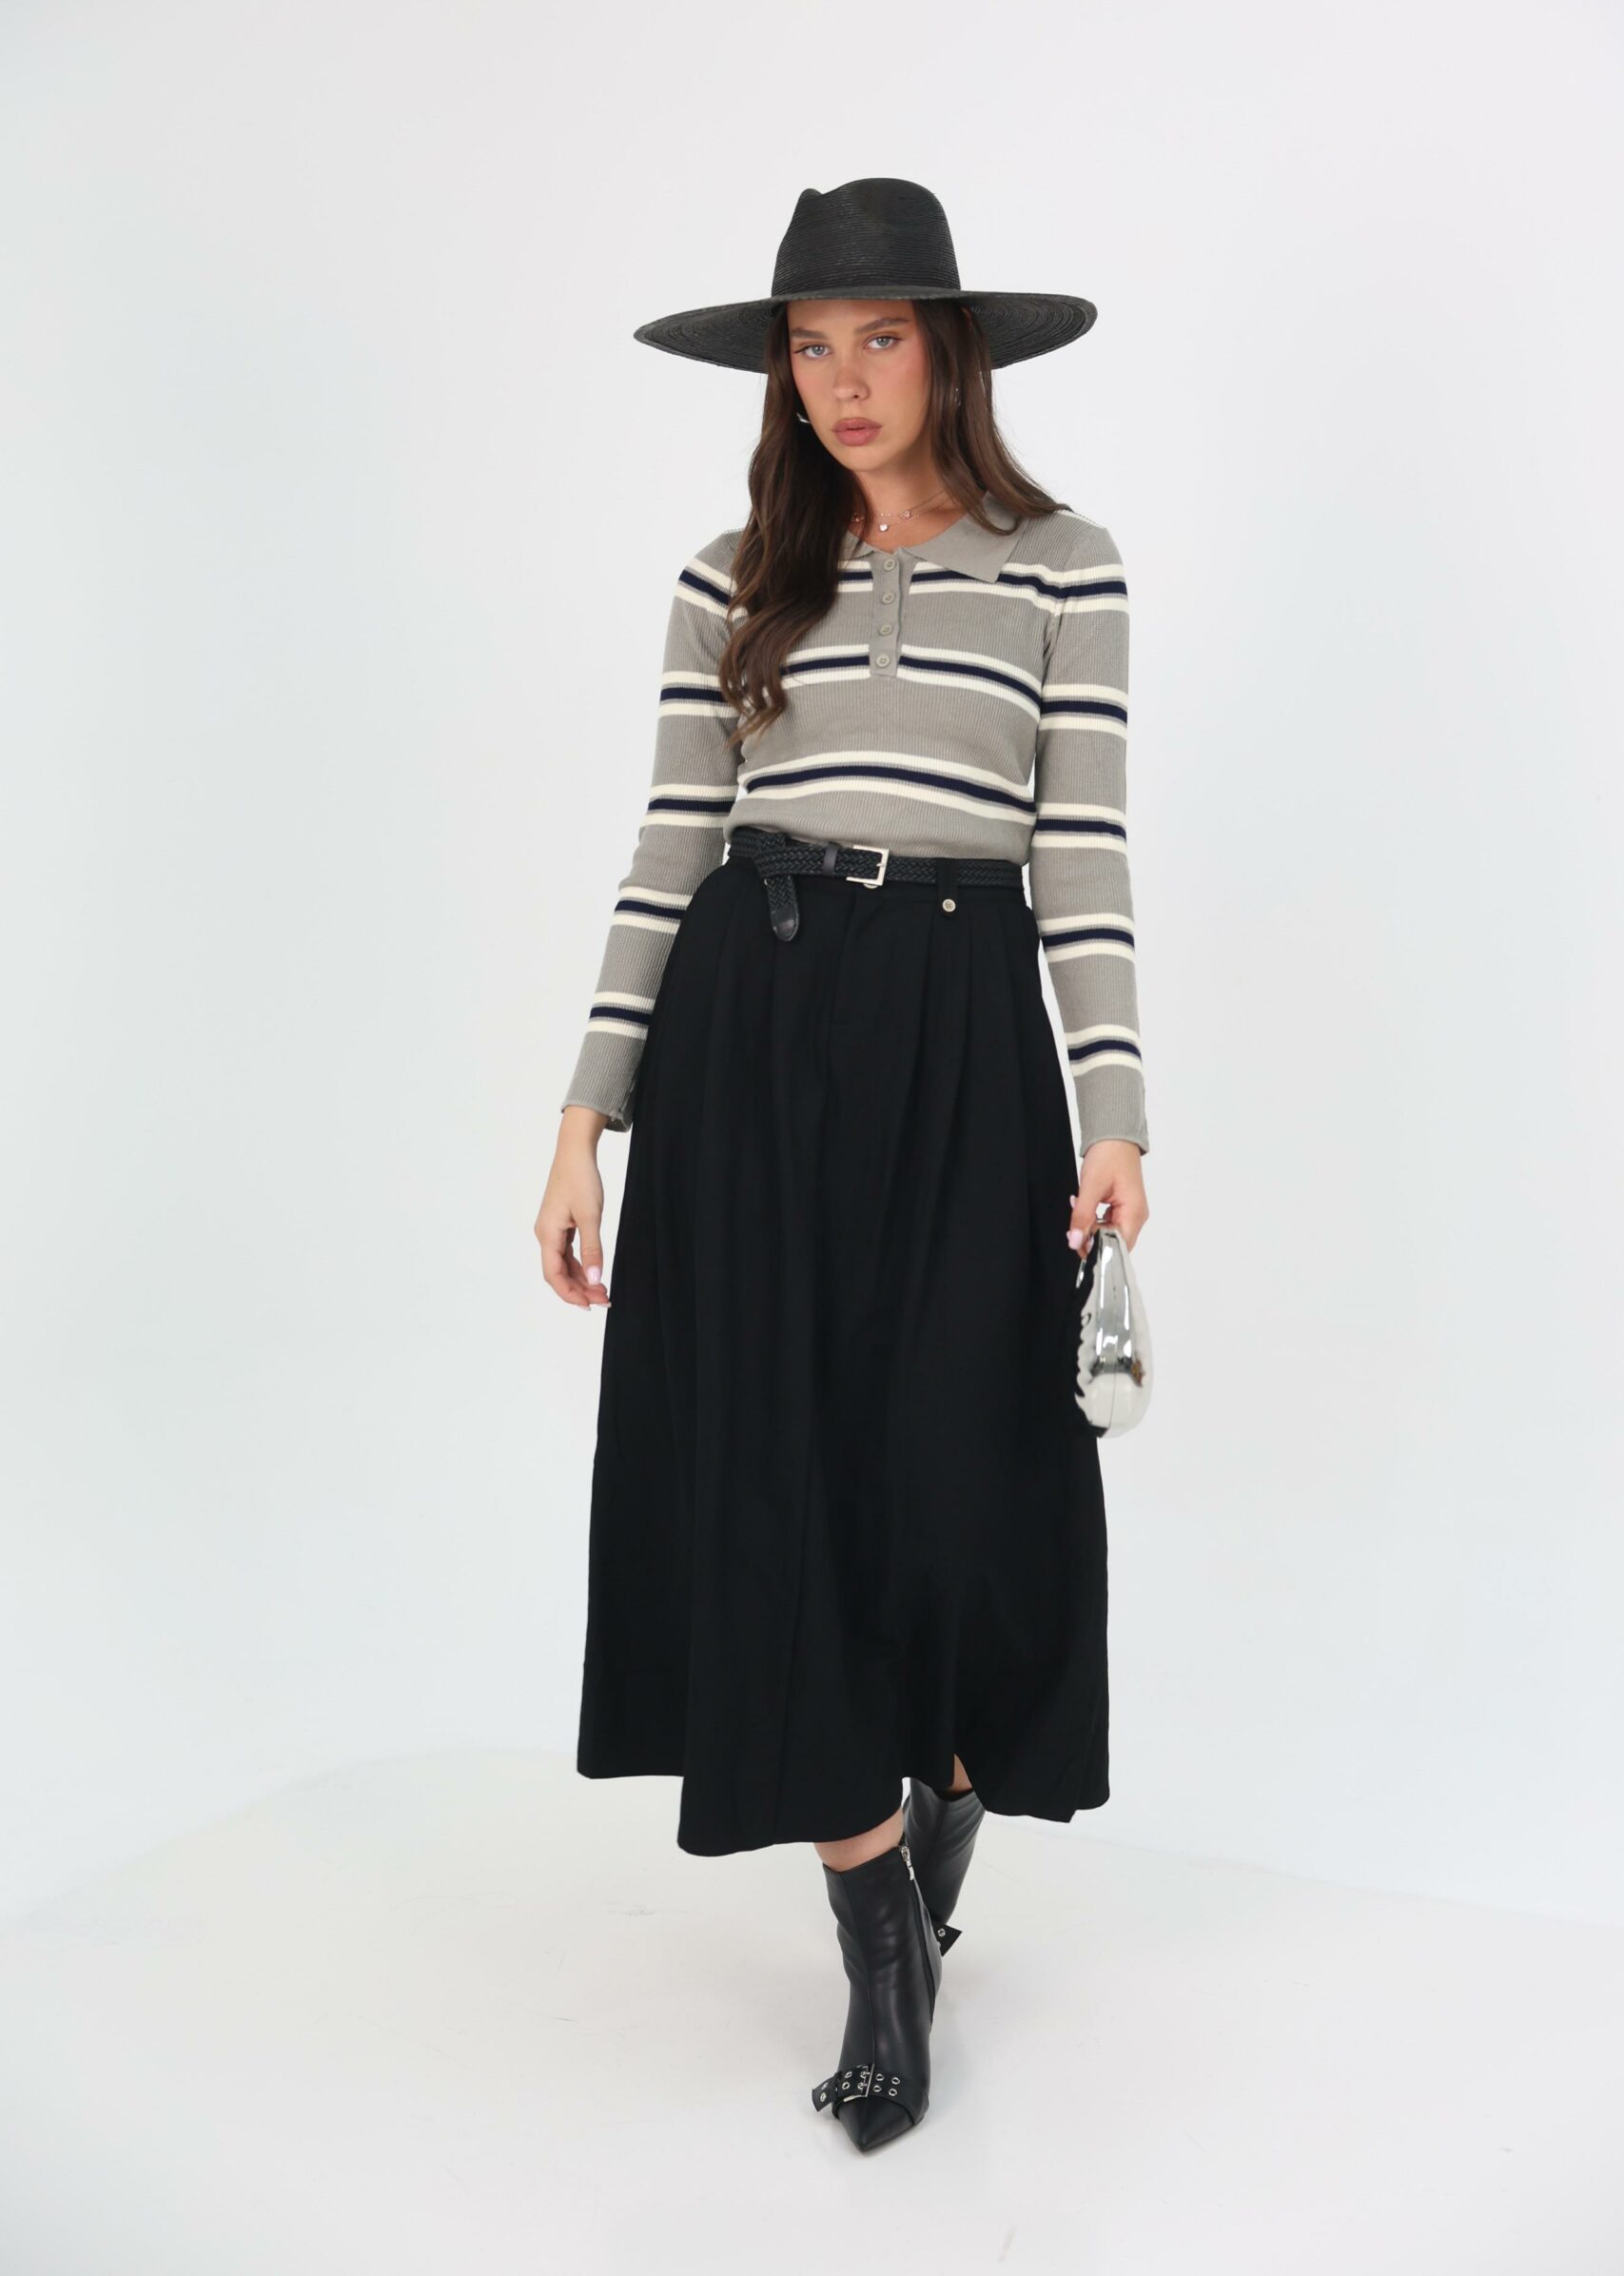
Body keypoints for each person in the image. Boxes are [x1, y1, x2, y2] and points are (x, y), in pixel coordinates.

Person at [534, 177, 1151, 2151]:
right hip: (755, 1022)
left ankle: (946, 1785)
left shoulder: (1062, 566)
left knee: (966, 1468)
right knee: (776, 1470)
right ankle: (881, 1935)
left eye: (880, 337)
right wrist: (584, 1119)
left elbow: (1079, 853)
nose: (843, 379)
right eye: (810, 345)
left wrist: (1116, 1108)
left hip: (965, 1034)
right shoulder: (735, 575)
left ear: (950, 352)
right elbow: (669, 844)